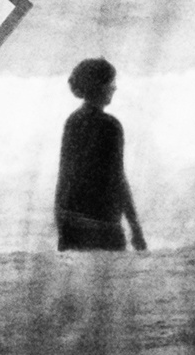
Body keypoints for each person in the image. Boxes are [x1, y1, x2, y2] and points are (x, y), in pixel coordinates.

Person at [55, 57, 146, 251]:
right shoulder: (110, 125)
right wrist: (135, 227)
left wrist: (60, 218)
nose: (115, 87)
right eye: (111, 82)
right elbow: (117, 177)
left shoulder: (73, 121)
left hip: (70, 222)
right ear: (100, 86)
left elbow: (65, 174)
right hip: (103, 225)